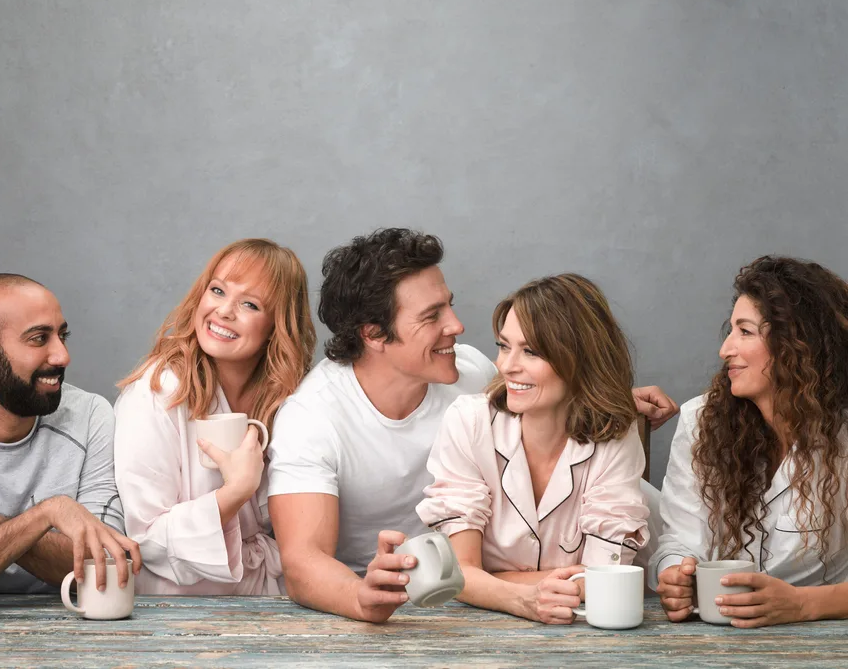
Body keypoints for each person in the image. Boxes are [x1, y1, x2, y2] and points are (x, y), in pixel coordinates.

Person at [267, 228, 678, 623]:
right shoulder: (312, 417)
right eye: (432, 316)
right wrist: (361, 598)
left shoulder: (468, 370)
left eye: (449, 305)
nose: (457, 326)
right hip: (394, 594)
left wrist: (609, 399)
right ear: (374, 334)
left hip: (483, 583)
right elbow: (302, 563)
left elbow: (543, 388)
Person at [417, 274, 650, 624]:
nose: (507, 366)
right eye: (504, 346)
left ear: (580, 359)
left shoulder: (616, 437)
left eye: (531, 351)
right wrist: (521, 597)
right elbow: (458, 573)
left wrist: (491, 579)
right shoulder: (470, 422)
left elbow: (604, 581)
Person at [651, 255, 848, 628]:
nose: (725, 349)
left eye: (745, 332)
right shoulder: (700, 421)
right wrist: (676, 574)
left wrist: (803, 605)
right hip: (716, 637)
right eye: (731, 330)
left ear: (797, 343)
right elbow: (679, 539)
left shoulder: (843, 436)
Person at [113, 239, 315, 594]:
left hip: (269, 597)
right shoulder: (158, 392)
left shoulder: (289, 400)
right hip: (177, 607)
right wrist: (235, 492)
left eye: (250, 304)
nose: (224, 311)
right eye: (218, 290)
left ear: (276, 325)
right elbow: (146, 540)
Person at [0, 274, 140, 601]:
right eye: (38, 339)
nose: (62, 356)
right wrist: (41, 519)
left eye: (62, 336)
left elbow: (105, 566)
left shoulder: (89, 416)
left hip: (68, 623)